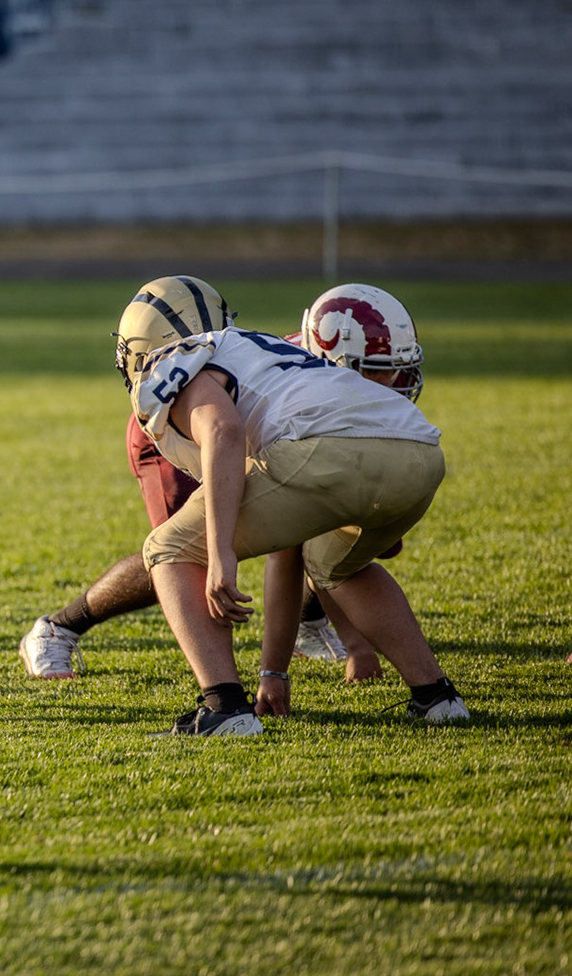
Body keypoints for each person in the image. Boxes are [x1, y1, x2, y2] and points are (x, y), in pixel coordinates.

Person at [18, 281, 429, 682]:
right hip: (186, 422)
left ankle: (307, 621)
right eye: (376, 372)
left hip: (243, 428)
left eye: (394, 370)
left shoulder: (314, 372)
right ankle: (63, 627)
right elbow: (223, 433)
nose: (390, 384)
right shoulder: (204, 378)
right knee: (183, 553)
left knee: (319, 539)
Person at [112, 276, 467, 736]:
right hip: (421, 452)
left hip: (327, 451)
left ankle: (223, 709)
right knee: (334, 565)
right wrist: (273, 672)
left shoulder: (175, 363)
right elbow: (289, 551)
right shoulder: (261, 347)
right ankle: (437, 698)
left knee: (169, 548)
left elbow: (221, 429)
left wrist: (220, 555)